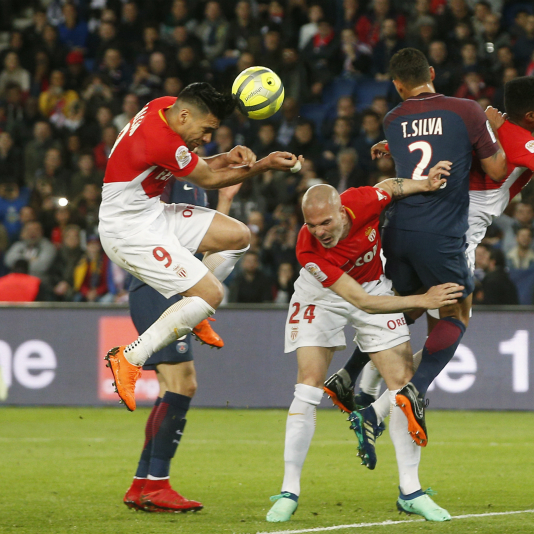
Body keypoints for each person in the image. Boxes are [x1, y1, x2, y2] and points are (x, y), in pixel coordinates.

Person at [328, 76, 534, 461]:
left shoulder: (483, 127)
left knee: (410, 308)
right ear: (531, 114)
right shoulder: (518, 139)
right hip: (454, 235)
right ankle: (408, 393)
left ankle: (353, 379)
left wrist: (393, 144)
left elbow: (441, 145)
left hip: (409, 225)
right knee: (457, 316)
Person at [266, 169, 464, 524]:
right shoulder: (309, 250)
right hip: (322, 296)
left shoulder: (361, 201)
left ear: (341, 211)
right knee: (307, 387)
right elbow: (361, 303)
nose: (319, 231)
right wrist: (424, 299)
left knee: (403, 387)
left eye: (325, 222)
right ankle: (288, 491)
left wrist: (425, 184)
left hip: (373, 285)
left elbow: (389, 187)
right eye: (311, 224)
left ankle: (411, 492)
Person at [100, 82, 301, 412]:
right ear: (184, 116)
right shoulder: (161, 139)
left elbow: (194, 164)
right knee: (212, 294)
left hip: (151, 213)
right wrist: (263, 165)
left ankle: (193, 314)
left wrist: (224, 157)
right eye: (206, 130)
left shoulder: (163, 106)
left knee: (238, 236)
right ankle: (129, 358)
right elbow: (208, 179)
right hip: (128, 232)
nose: (207, 138)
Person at [123, 180, 240, 513]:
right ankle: (157, 485)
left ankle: (142, 483)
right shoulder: (175, 178)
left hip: (161, 287)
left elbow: (204, 241)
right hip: (160, 288)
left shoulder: (190, 180)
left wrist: (225, 200)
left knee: (169, 388)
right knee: (183, 384)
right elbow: (184, 242)